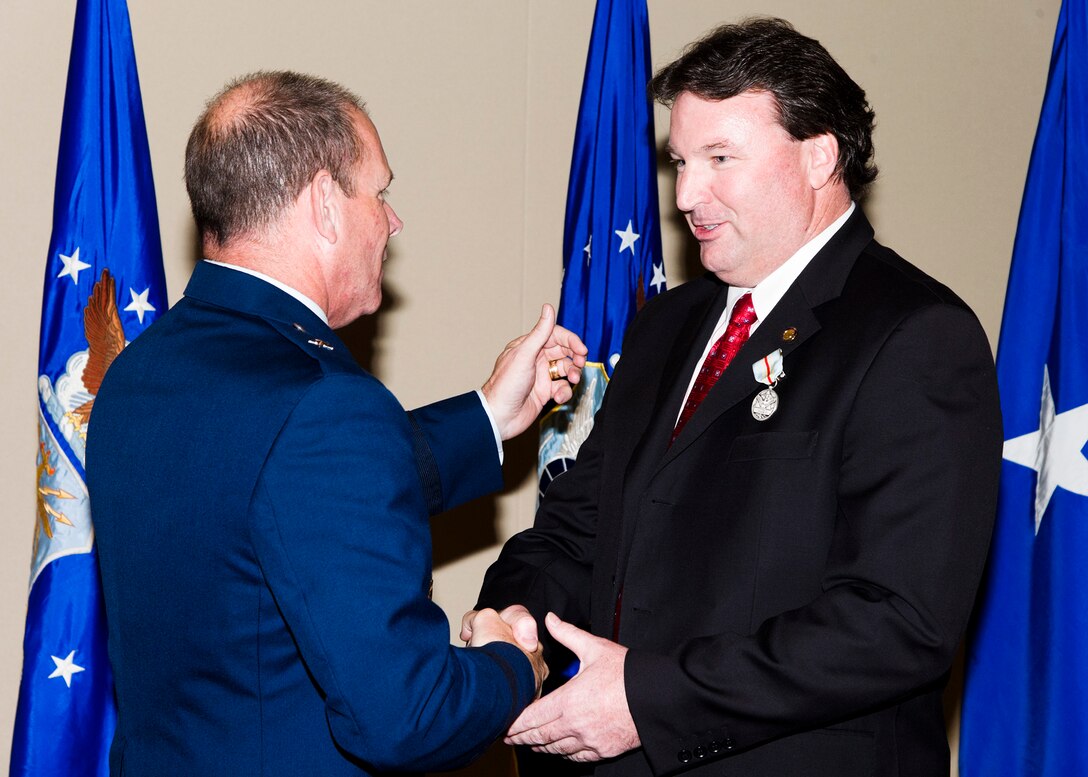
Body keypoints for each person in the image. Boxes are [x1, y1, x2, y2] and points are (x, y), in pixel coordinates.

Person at [468, 17, 1002, 777]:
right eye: (680, 161)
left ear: (820, 156)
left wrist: (647, 700)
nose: (686, 193)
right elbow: (576, 531)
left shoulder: (914, 334)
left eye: (720, 157)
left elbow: (895, 622)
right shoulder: (666, 327)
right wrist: (514, 615)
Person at [86, 71, 587, 776]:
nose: (392, 220)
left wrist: (487, 415)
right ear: (325, 203)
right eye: (378, 193)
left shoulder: (139, 374)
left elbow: (269, 492)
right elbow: (405, 716)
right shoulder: (325, 405)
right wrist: (512, 664)